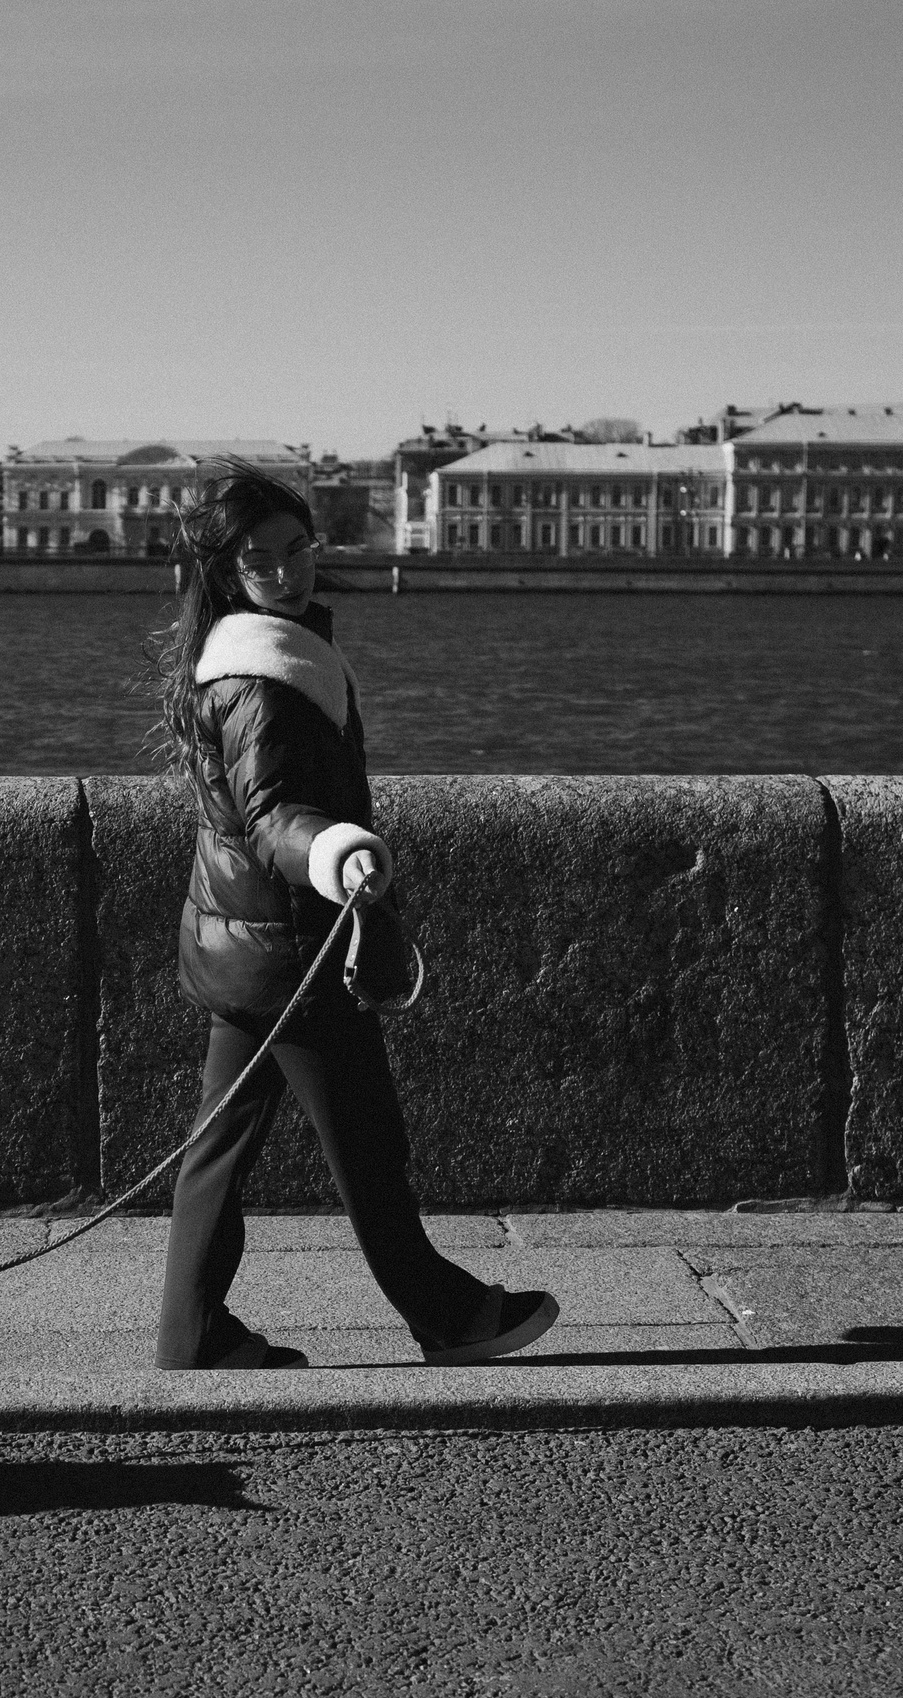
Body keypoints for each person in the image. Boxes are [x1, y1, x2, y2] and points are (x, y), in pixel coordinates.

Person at [145, 459, 559, 1371]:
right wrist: (333, 849)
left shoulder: (241, 657)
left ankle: (191, 1334)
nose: (288, 571)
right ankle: (450, 1314)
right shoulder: (262, 679)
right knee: (368, 1147)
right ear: (228, 572)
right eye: (262, 559)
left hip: (244, 944)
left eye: (298, 548)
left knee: (218, 1150)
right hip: (293, 948)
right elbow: (271, 817)